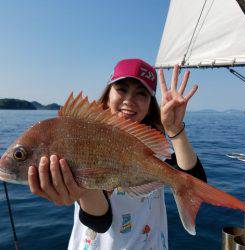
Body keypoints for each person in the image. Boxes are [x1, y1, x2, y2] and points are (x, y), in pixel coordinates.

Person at [28, 58, 207, 250]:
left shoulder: (154, 150)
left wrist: (175, 130)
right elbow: (100, 222)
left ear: (149, 104)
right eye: (121, 89)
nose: (129, 100)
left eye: (141, 94)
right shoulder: (81, 136)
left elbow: (196, 183)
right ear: (107, 95)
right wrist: (83, 188)